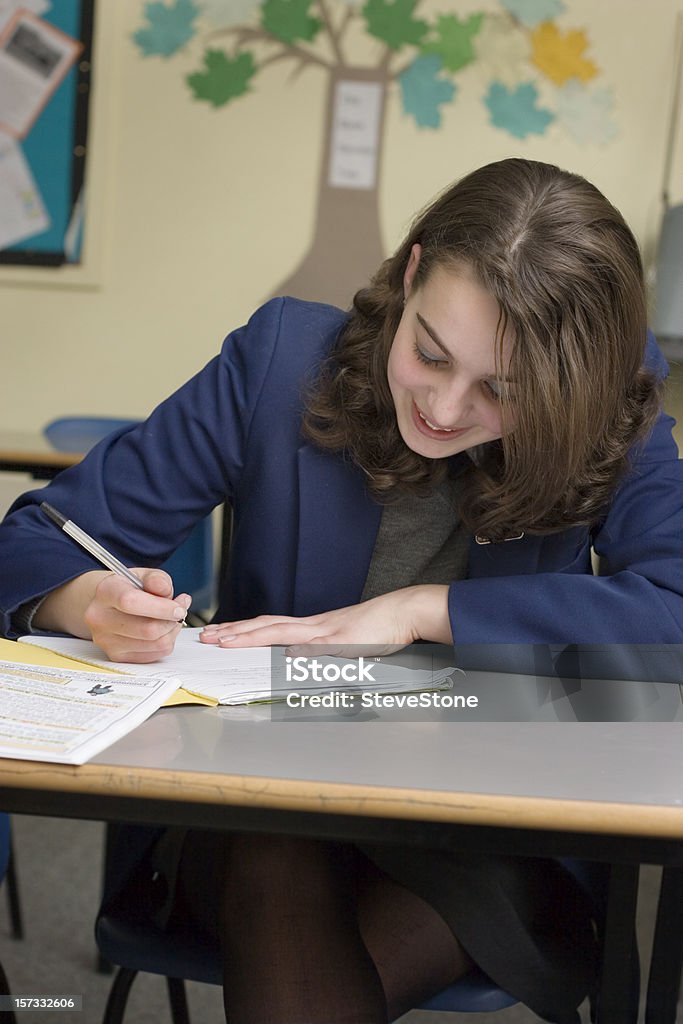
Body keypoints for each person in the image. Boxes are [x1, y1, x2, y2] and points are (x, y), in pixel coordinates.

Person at [1, 157, 682, 1023]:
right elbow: (32, 541)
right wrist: (84, 600)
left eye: (499, 393)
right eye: (429, 353)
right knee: (277, 859)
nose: (441, 406)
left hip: (483, 826)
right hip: (263, 804)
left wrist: (420, 611)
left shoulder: (609, 402)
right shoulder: (280, 362)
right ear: (410, 273)